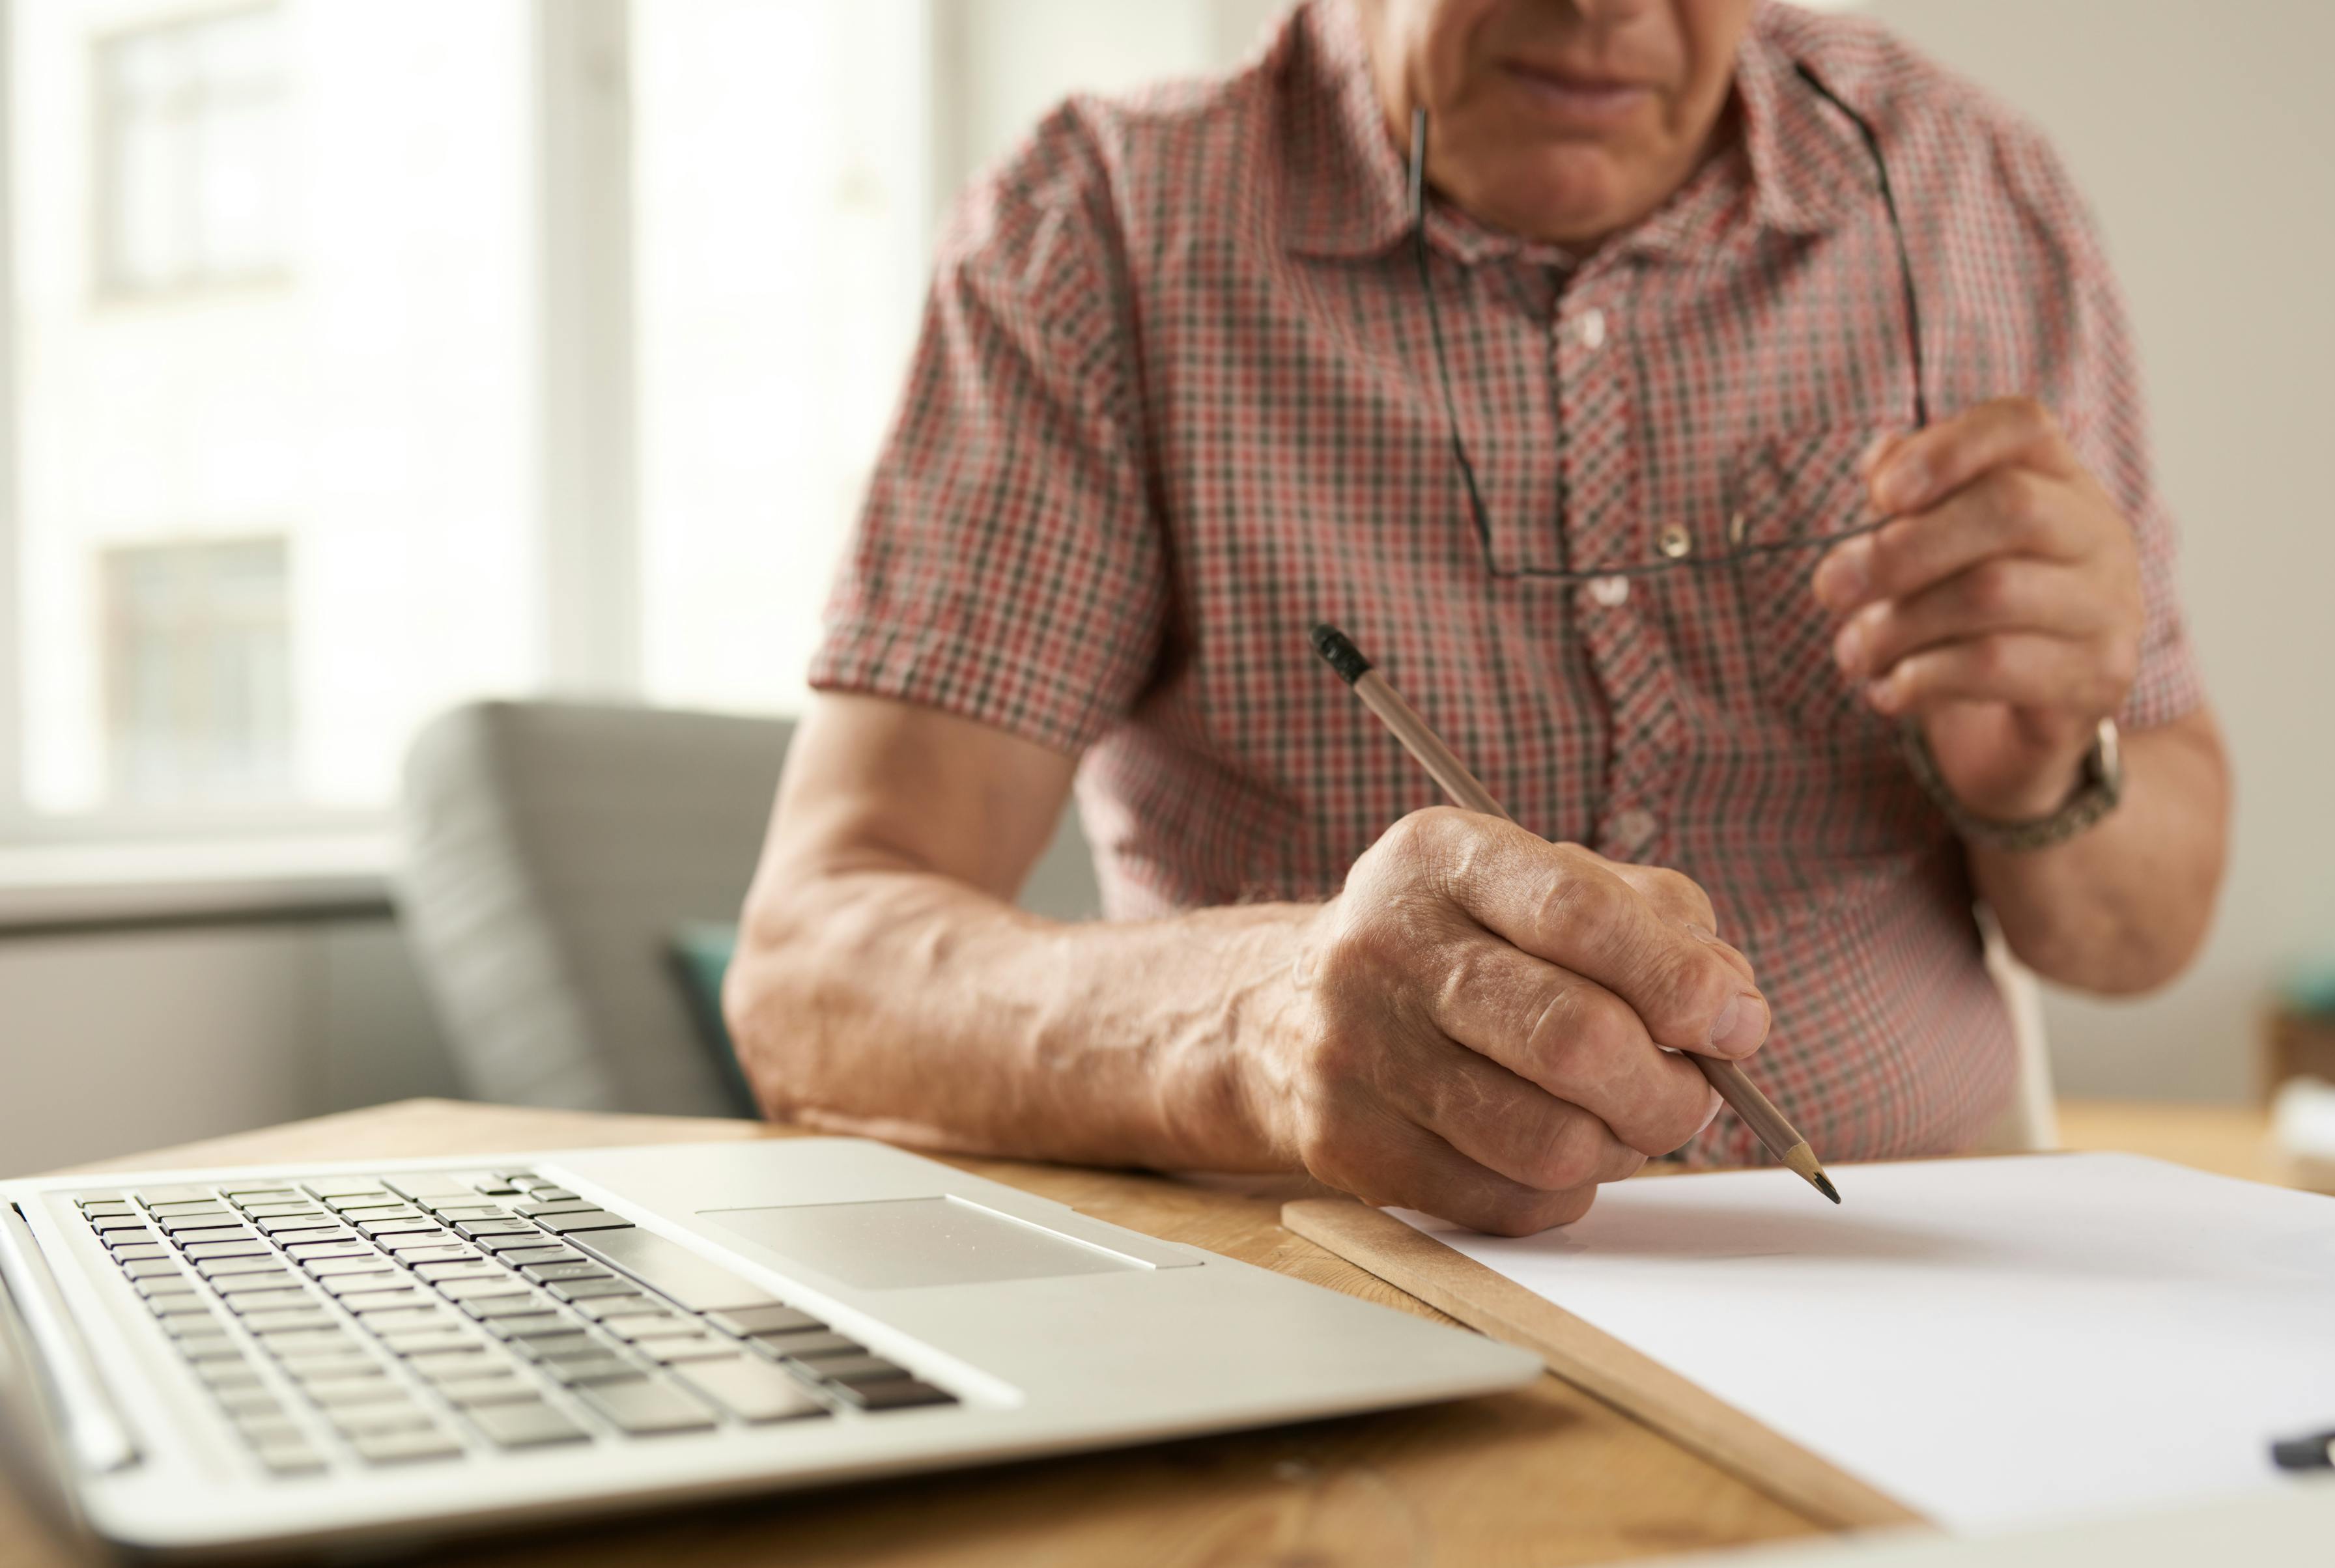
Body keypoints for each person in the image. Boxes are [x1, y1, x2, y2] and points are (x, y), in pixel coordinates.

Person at [726, 0, 2230, 1234]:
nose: (1602, 9)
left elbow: (2139, 935)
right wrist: (1258, 1023)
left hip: (1913, 1248)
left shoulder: (1968, 193)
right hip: (1331, 1289)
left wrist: (2039, 769)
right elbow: (813, 979)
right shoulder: (1103, 231)